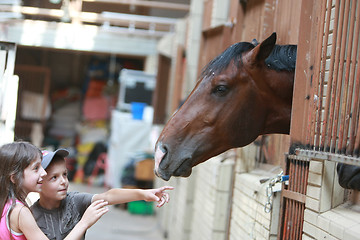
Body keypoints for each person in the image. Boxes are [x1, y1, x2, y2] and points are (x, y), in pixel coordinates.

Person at [31, 148, 174, 240]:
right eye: (54, 178)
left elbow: (108, 196)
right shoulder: (30, 216)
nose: (63, 181)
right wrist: (84, 223)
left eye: (65, 174)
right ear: (39, 183)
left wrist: (143, 194)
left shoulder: (74, 201)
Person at [0, 141, 109, 240]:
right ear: (14, 177)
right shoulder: (20, 212)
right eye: (36, 168)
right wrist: (84, 223)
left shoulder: (7, 204)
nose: (43, 173)